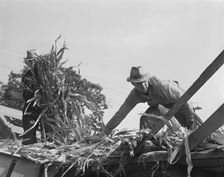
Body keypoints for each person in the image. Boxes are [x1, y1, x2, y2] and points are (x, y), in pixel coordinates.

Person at [103, 66, 202, 135]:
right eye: (138, 83)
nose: (142, 85)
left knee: (188, 129)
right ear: (133, 84)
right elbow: (121, 113)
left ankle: (195, 131)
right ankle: (146, 142)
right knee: (145, 120)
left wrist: (191, 124)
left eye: (143, 82)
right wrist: (106, 131)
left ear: (147, 80)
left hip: (179, 104)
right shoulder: (135, 95)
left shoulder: (162, 86)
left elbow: (185, 100)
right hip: (160, 108)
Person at [22, 50, 43, 145]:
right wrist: (35, 95)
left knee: (50, 138)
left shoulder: (47, 75)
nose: (32, 63)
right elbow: (26, 95)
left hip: (47, 111)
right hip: (31, 110)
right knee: (29, 137)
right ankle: (27, 157)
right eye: (30, 61)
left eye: (33, 61)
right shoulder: (26, 77)